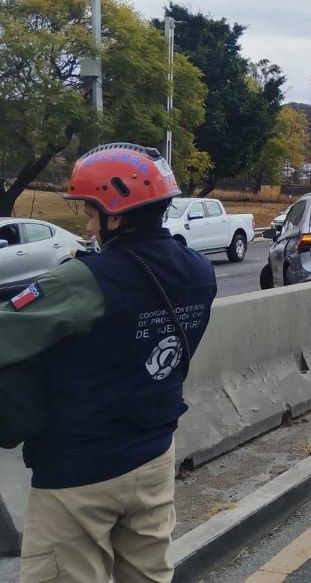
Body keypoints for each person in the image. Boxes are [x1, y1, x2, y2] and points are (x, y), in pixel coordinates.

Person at [0, 143, 217, 582]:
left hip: (79, 473)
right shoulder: (199, 269)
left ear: (115, 215)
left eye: (90, 211)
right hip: (154, 457)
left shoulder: (84, 279)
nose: (87, 222)